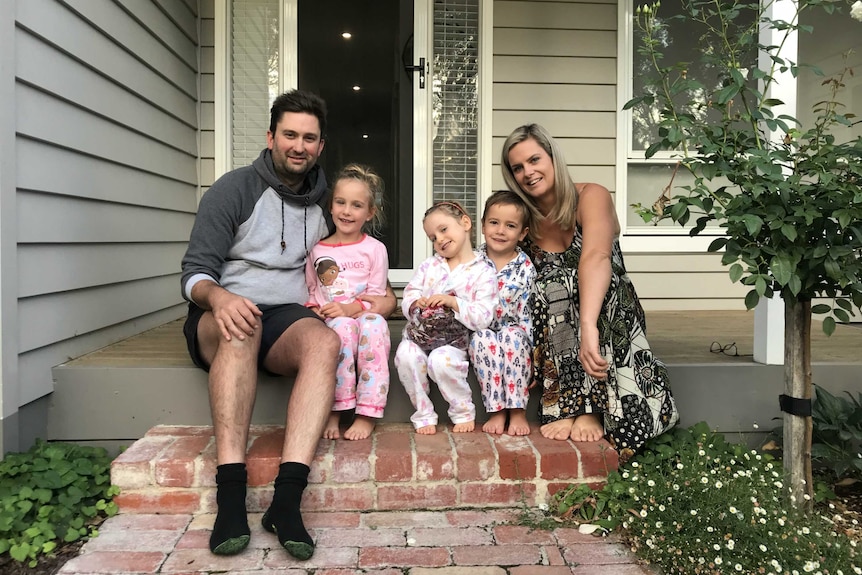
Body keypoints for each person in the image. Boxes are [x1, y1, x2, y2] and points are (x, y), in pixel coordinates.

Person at [180, 90, 395, 560]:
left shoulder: (326, 200)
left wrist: (366, 302)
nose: (299, 145)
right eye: (290, 134)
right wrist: (219, 297)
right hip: (222, 311)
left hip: (285, 318)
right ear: (271, 137)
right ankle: (231, 497)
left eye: (309, 138)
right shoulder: (233, 189)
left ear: (321, 146)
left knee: (323, 342)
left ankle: (286, 500)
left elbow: (346, 258)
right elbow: (194, 274)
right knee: (243, 326)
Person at [501, 123, 678, 460]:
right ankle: (567, 404)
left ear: (553, 157)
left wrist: (588, 328)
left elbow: (596, 257)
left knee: (582, 285)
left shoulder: (591, 195)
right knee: (547, 287)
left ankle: (590, 407)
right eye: (518, 167)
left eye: (534, 160)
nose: (528, 172)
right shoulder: (522, 217)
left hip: (607, 311)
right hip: (556, 321)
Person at [394, 201, 498, 435]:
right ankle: (423, 413)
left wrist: (454, 303)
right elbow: (410, 292)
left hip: (452, 342)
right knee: (405, 355)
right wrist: (414, 303)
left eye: (443, 230)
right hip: (421, 336)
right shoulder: (429, 266)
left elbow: (484, 316)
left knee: (440, 361)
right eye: (432, 237)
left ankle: (461, 410)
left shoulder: (483, 271)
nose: (439, 239)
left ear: (465, 223)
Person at [305, 164, 391, 441]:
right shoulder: (316, 250)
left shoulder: (375, 250)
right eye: (340, 202)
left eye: (356, 205)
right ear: (330, 206)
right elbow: (311, 291)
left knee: (375, 327)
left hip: (363, 314)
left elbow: (377, 296)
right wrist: (317, 310)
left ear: (369, 213)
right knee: (341, 330)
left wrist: (352, 308)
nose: (346, 211)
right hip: (334, 319)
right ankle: (336, 410)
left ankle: (367, 412)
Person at [469, 190, 536, 436]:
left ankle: (517, 409)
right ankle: (496, 409)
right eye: (494, 223)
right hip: (480, 328)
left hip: (514, 329)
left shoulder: (526, 268)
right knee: (482, 340)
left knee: (513, 337)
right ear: (483, 225)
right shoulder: (472, 262)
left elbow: (527, 311)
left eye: (510, 226)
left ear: (522, 233)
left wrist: (533, 349)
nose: (500, 231)